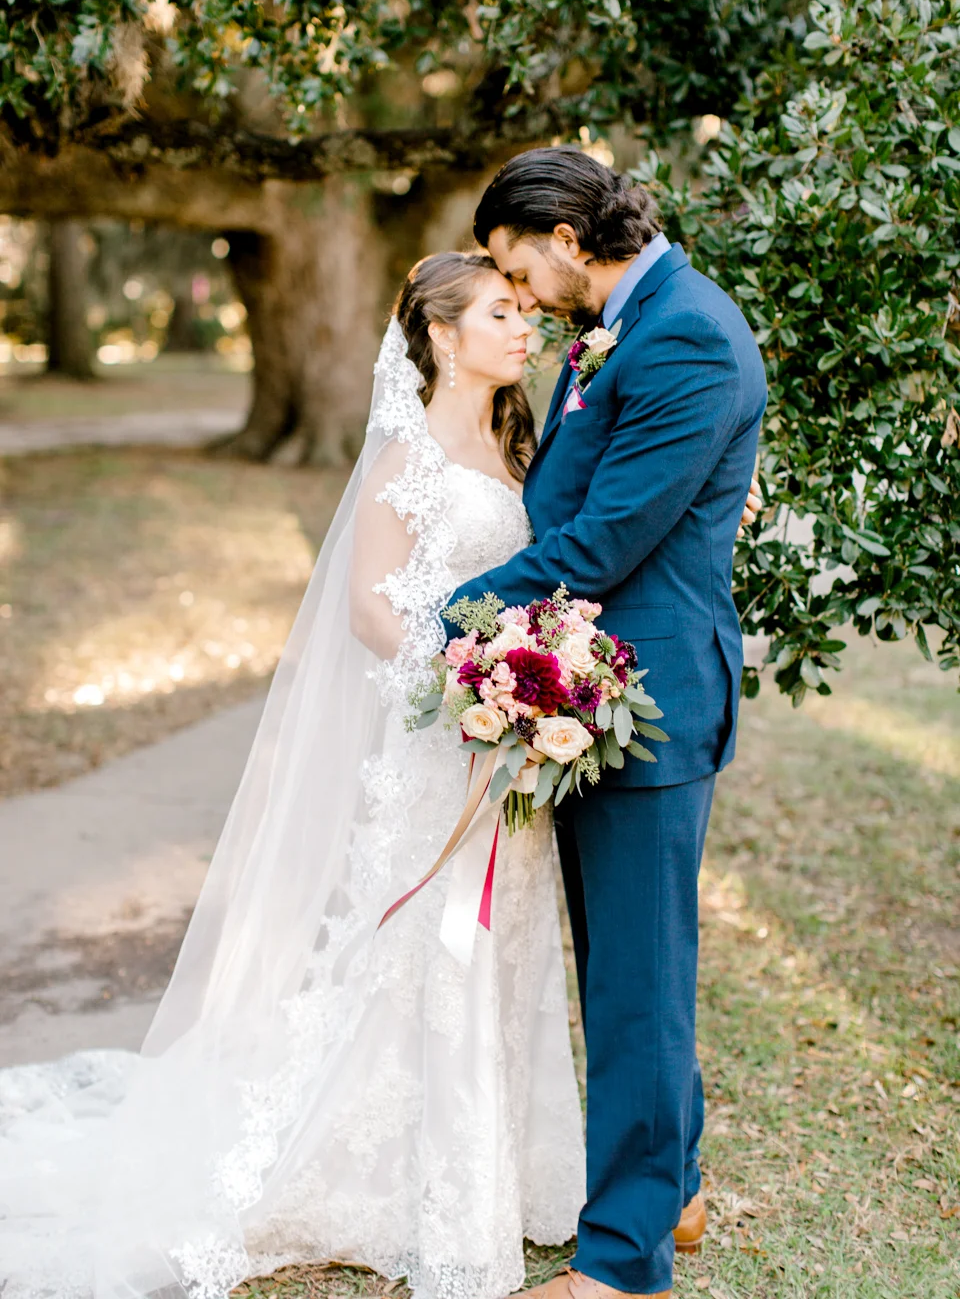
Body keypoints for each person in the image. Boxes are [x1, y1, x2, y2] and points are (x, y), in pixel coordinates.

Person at [0, 245, 761, 1299]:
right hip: (445, 744)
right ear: (442, 335)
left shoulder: (524, 446)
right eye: (500, 312)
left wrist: (711, 495)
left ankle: (502, 1171)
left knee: (505, 955)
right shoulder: (405, 456)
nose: (526, 327)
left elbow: (602, 520)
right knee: (423, 953)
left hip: (510, 748)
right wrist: (477, 682)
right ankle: (397, 1176)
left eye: (524, 309)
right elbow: (370, 608)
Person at [442, 147, 768, 1299]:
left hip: (648, 702)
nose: (516, 290)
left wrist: (454, 615)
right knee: (635, 973)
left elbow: (605, 540)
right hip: (594, 693)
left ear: (568, 241)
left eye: (515, 264)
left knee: (636, 989)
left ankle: (621, 1265)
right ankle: (671, 1190)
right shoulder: (629, 322)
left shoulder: (685, 336)